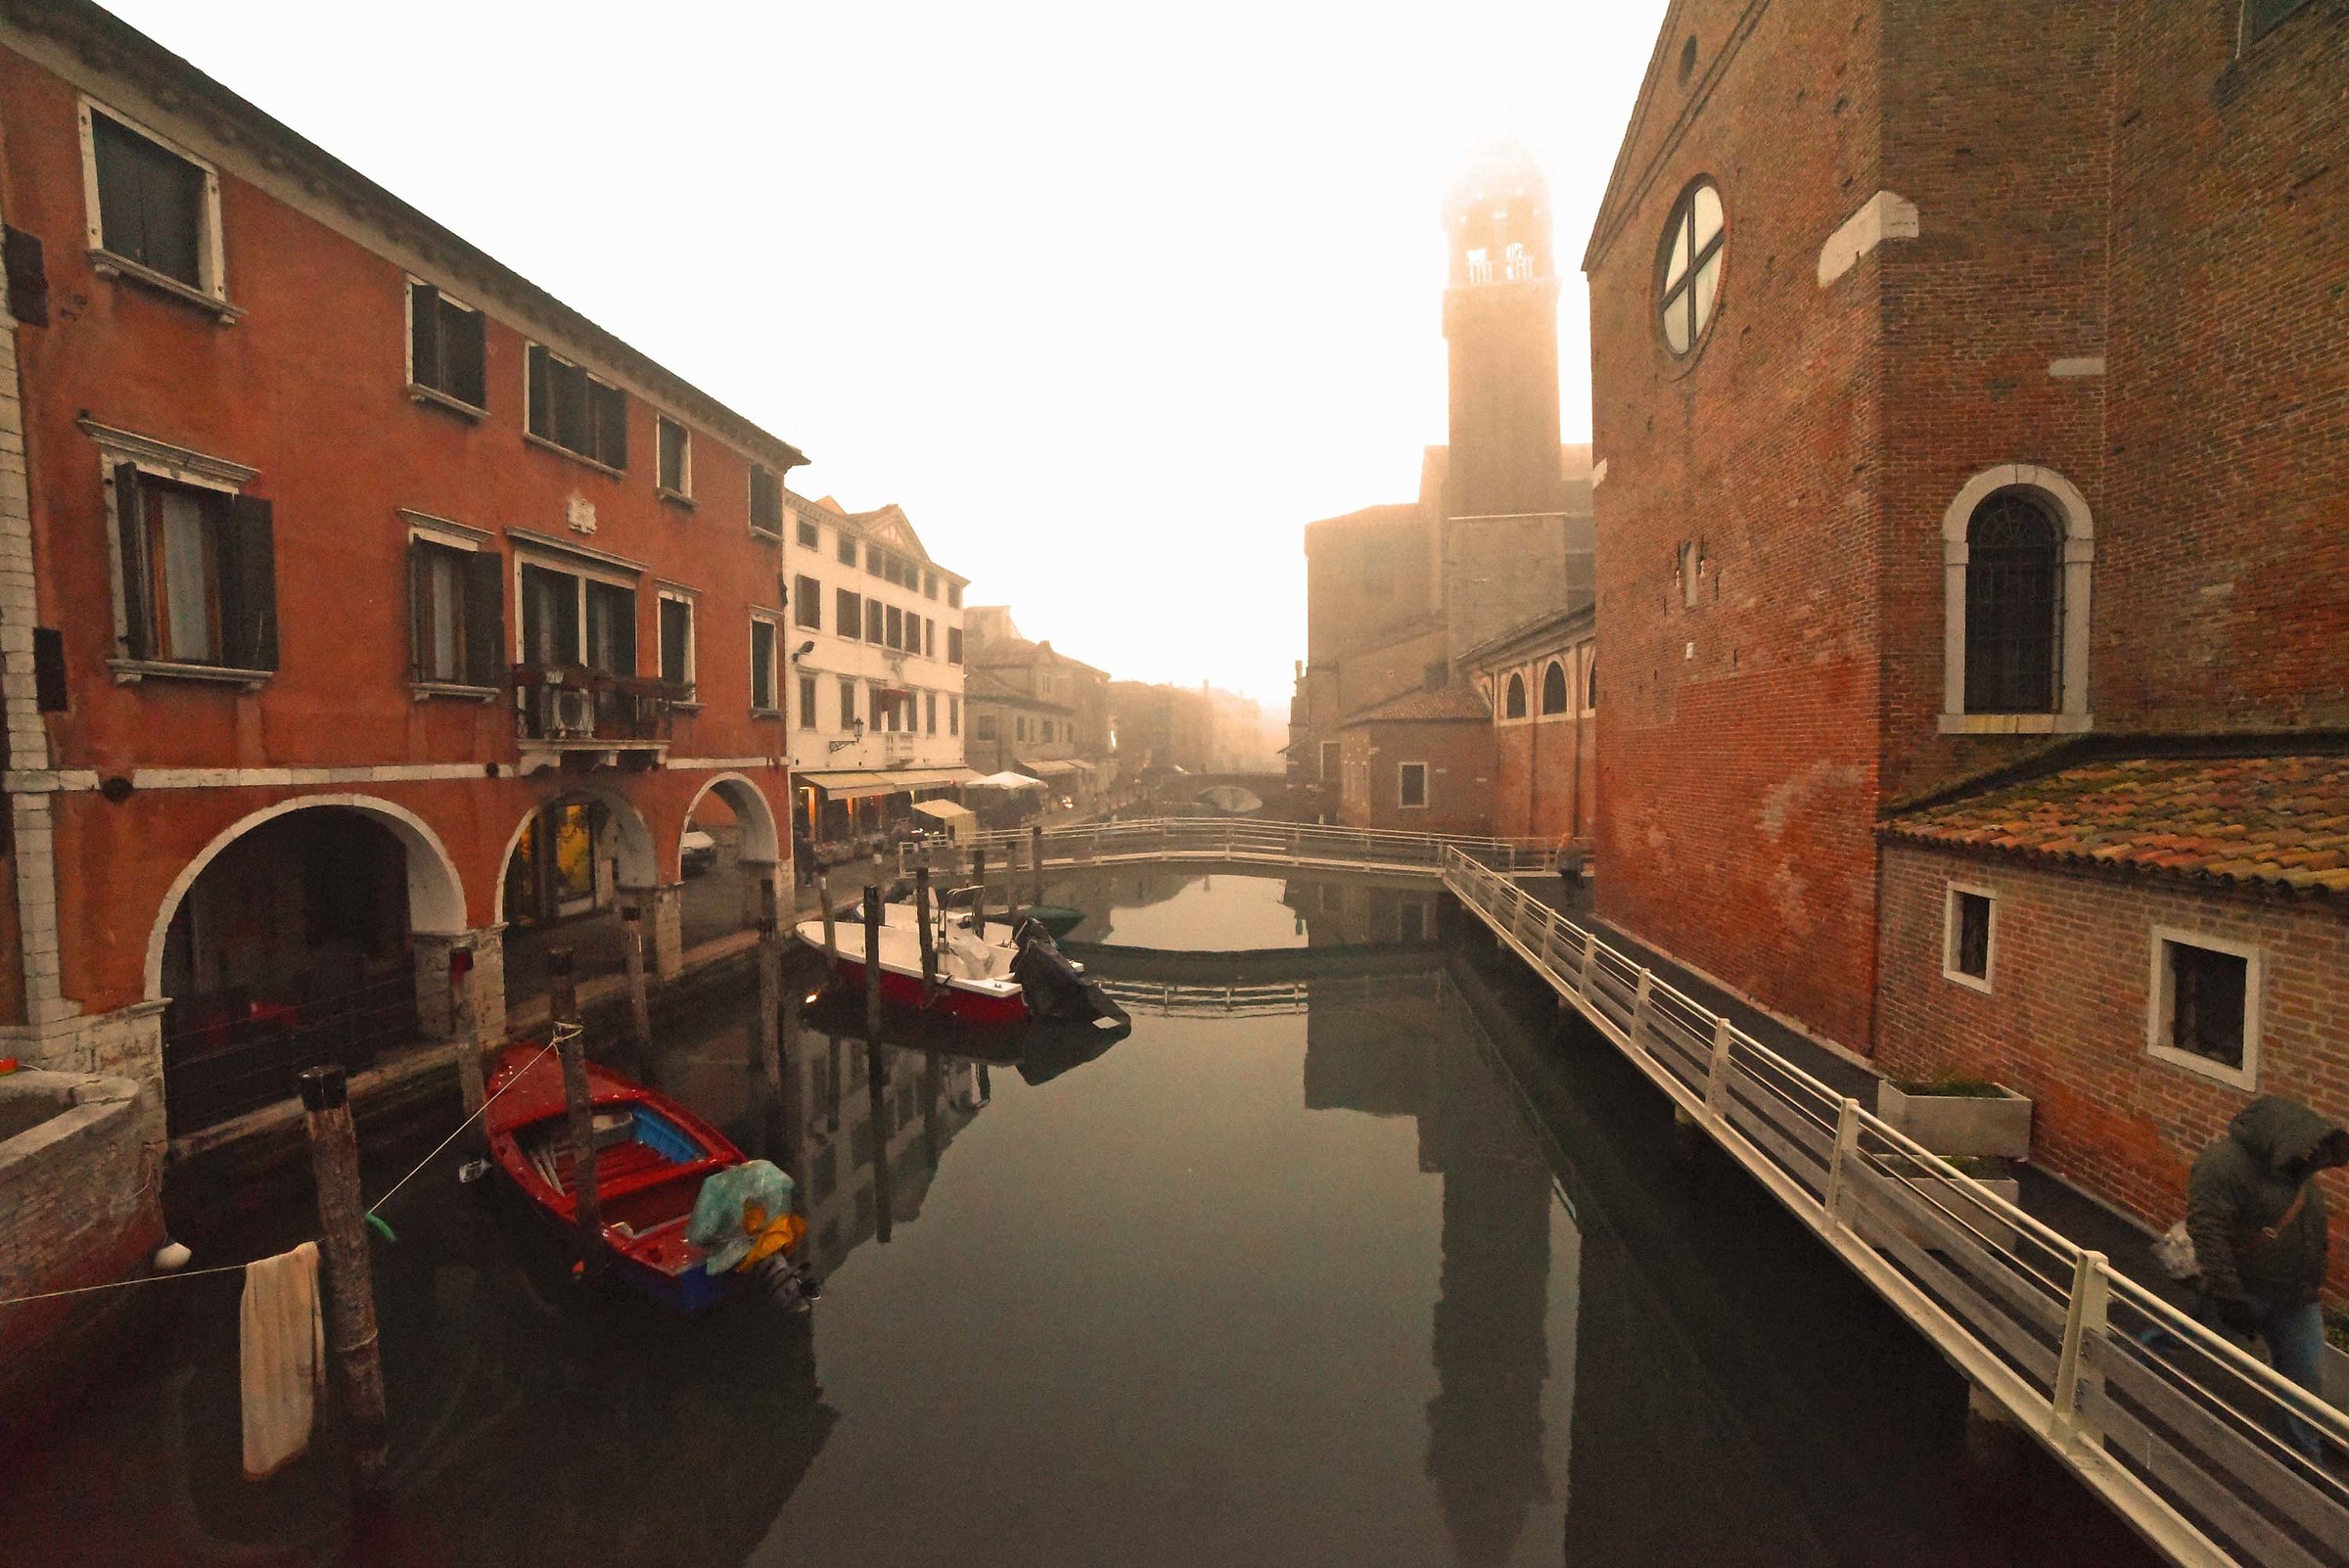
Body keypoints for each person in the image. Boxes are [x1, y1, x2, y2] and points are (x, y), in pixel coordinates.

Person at [2185, 1095, 2349, 1462]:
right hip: (2244, 1290)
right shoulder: (2222, 1165)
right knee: (2189, 1338)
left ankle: (2306, 1459)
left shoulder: (2299, 1176)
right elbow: (2207, 1227)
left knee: (2305, 1382)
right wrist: (2228, 1294)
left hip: (2296, 1298)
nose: (2314, 1155)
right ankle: (2140, 1360)